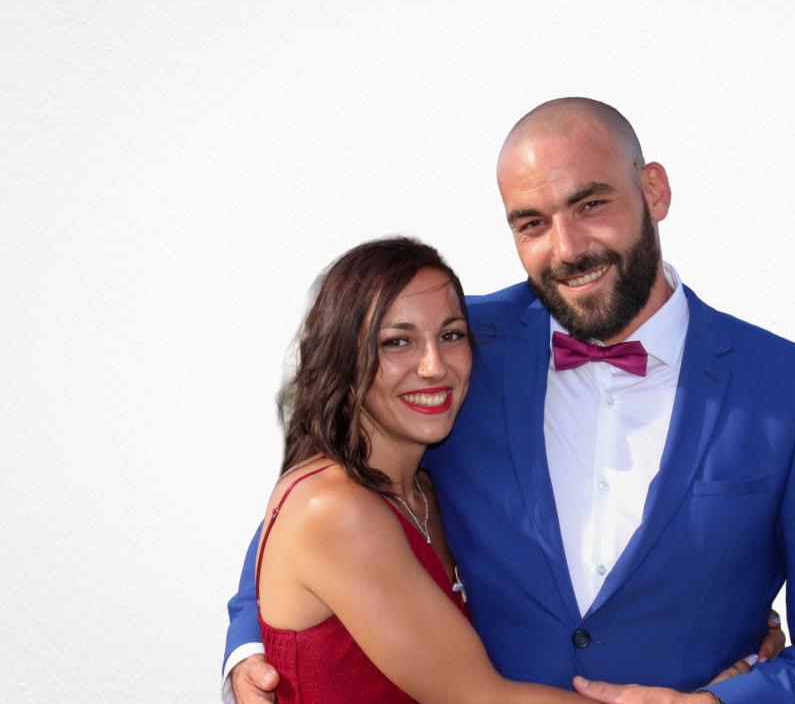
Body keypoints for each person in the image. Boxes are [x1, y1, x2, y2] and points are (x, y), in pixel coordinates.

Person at [225, 98, 795, 703]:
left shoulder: (790, 387)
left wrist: (730, 702)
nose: (567, 248)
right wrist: (252, 643)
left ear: (654, 190)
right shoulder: (454, 349)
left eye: (590, 205)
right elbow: (325, 500)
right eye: (532, 223)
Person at [249, 236, 613, 702]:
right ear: (343, 358)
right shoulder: (336, 511)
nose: (433, 366)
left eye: (451, 335)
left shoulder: (425, 488)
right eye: (397, 342)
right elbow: (482, 698)